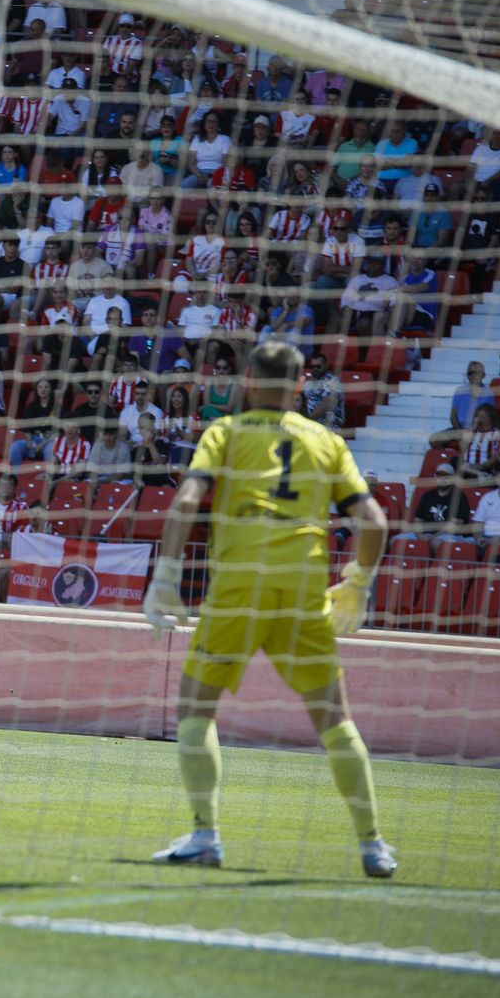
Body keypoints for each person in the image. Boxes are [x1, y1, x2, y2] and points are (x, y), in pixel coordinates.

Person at [140, 341, 396, 879]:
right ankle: (373, 845)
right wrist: (359, 582)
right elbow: (373, 522)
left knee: (194, 708)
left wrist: (165, 576)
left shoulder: (225, 432)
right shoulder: (326, 439)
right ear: (300, 385)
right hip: (303, 587)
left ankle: (206, 835)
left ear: (249, 381)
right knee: (334, 719)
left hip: (238, 586)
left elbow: (186, 502)